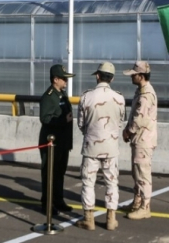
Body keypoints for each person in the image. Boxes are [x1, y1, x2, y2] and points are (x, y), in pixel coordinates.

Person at [76, 62, 126, 231]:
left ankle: (89, 219)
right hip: (111, 147)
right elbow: (120, 123)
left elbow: (81, 124)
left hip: (91, 147)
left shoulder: (86, 97)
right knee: (112, 183)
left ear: (98, 76)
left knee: (88, 183)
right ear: (112, 78)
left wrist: (91, 133)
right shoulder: (119, 98)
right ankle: (111, 219)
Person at [122, 61, 158, 220]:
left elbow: (139, 119)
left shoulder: (146, 95)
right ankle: (137, 201)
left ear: (141, 76)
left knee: (143, 173)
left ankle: (145, 207)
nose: (131, 76)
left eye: (134, 74)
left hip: (143, 139)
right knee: (136, 172)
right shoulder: (141, 91)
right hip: (140, 139)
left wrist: (128, 132)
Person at [38, 64, 75, 214]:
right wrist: (63, 120)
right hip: (51, 143)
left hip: (62, 142)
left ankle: (58, 200)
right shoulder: (49, 97)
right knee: (49, 174)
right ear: (55, 79)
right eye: (63, 79)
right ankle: (47, 204)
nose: (66, 82)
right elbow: (45, 119)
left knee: (59, 172)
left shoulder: (61, 94)